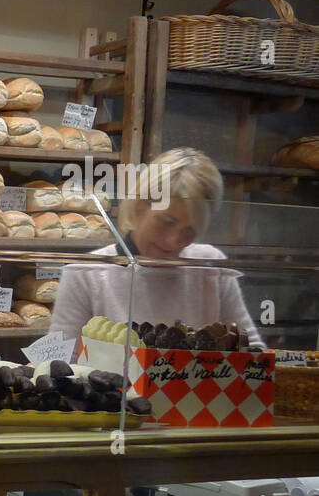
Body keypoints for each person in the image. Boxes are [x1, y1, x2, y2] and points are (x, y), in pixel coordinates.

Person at [49, 147, 264, 347]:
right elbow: (63, 357)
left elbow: (252, 350)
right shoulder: (86, 272)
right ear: (140, 206)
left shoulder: (209, 265)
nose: (173, 241)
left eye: (190, 231)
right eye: (166, 222)